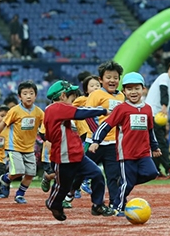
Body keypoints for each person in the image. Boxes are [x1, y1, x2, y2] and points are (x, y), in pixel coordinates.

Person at [89, 72, 160, 216]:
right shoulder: (121, 109)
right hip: (126, 154)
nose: (133, 92)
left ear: (143, 89)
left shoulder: (147, 109)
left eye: (137, 88)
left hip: (144, 153)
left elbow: (150, 130)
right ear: (124, 92)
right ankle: (118, 207)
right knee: (127, 183)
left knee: (152, 173)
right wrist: (96, 141)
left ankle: (124, 182)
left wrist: (155, 146)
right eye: (129, 89)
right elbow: (106, 125)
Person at [44, 80, 115, 221]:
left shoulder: (62, 112)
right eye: (72, 97)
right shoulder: (56, 108)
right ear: (63, 96)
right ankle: (53, 204)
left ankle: (97, 204)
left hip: (77, 155)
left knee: (97, 175)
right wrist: (103, 110)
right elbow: (80, 112)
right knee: (62, 186)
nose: (74, 100)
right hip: (63, 158)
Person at [77, 60, 125, 207]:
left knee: (113, 175)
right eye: (108, 77)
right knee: (80, 171)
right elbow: (88, 115)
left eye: (115, 77)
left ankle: (114, 203)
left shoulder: (122, 96)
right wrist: (97, 137)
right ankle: (69, 192)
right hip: (94, 143)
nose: (112, 80)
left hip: (113, 143)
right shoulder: (96, 94)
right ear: (101, 79)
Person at [0, 81, 44, 203]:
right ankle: (5, 178)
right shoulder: (14, 111)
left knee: (30, 174)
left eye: (31, 93)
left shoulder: (39, 112)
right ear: (20, 96)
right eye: (25, 93)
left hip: (29, 148)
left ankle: (20, 194)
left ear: (36, 96)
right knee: (18, 171)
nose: (28, 96)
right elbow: (3, 124)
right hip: (14, 146)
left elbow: (45, 125)